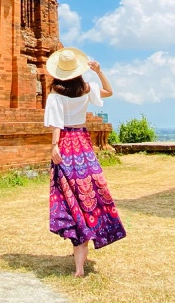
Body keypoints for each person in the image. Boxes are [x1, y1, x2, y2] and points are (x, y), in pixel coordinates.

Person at [44, 47, 126, 277]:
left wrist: (54, 146)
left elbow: (57, 124)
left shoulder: (55, 95)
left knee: (69, 195)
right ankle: (85, 248)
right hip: (83, 143)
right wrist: (99, 71)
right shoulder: (86, 89)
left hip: (66, 144)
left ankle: (79, 264)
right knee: (89, 193)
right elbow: (109, 91)